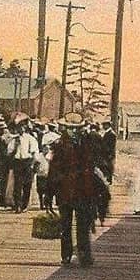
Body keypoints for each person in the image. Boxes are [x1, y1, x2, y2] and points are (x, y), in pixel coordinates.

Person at [48, 112, 96, 267]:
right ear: (65, 129)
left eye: (76, 128)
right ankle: (66, 255)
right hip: (64, 190)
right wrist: (48, 194)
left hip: (83, 190)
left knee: (83, 225)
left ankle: (83, 255)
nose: (73, 131)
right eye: (70, 128)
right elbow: (53, 171)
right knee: (65, 225)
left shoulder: (87, 144)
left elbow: (93, 166)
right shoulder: (58, 145)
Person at [7, 120, 39, 212]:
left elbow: (34, 152)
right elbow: (9, 151)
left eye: (22, 127)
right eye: (18, 127)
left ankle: (24, 205)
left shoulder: (30, 139)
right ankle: (17, 205)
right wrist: (14, 148)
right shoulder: (14, 139)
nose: (20, 129)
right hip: (17, 162)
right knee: (17, 184)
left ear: (25, 128)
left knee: (27, 185)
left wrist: (33, 164)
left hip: (27, 162)